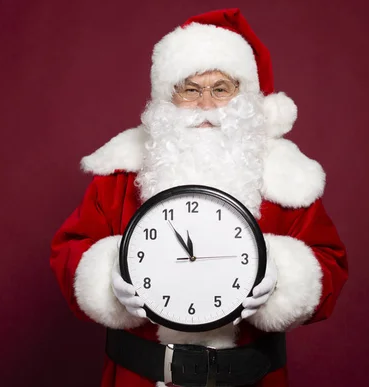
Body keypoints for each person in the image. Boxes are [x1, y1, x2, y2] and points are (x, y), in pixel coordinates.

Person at [50, 8, 348, 387]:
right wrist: (108, 275)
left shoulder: (287, 175)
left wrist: (284, 279)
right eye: (190, 89)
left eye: (221, 88)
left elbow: (331, 263)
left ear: (247, 96)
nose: (207, 105)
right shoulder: (121, 171)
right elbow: (70, 249)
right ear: (166, 99)